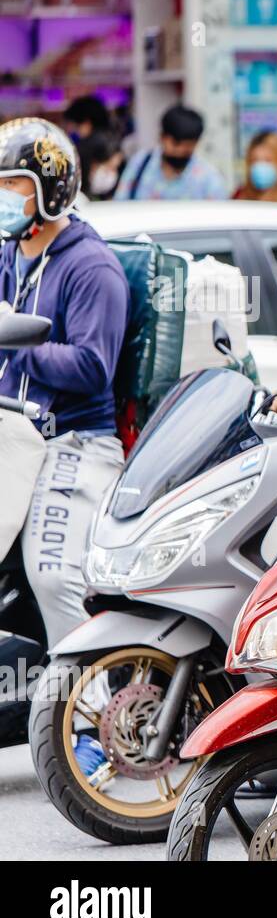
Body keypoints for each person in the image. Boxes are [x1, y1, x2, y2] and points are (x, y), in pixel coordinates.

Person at [0, 118, 128, 643]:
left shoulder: (91, 266)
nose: (3, 196)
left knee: (54, 578)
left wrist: (13, 347)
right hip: (15, 438)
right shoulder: (10, 253)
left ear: (49, 190)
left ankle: (89, 704)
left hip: (73, 442)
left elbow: (93, 367)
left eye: (13, 185)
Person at [114, 104, 227, 201]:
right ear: (162, 137)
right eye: (176, 144)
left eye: (188, 146)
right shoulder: (140, 164)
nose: (180, 151)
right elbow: (120, 205)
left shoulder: (208, 178)